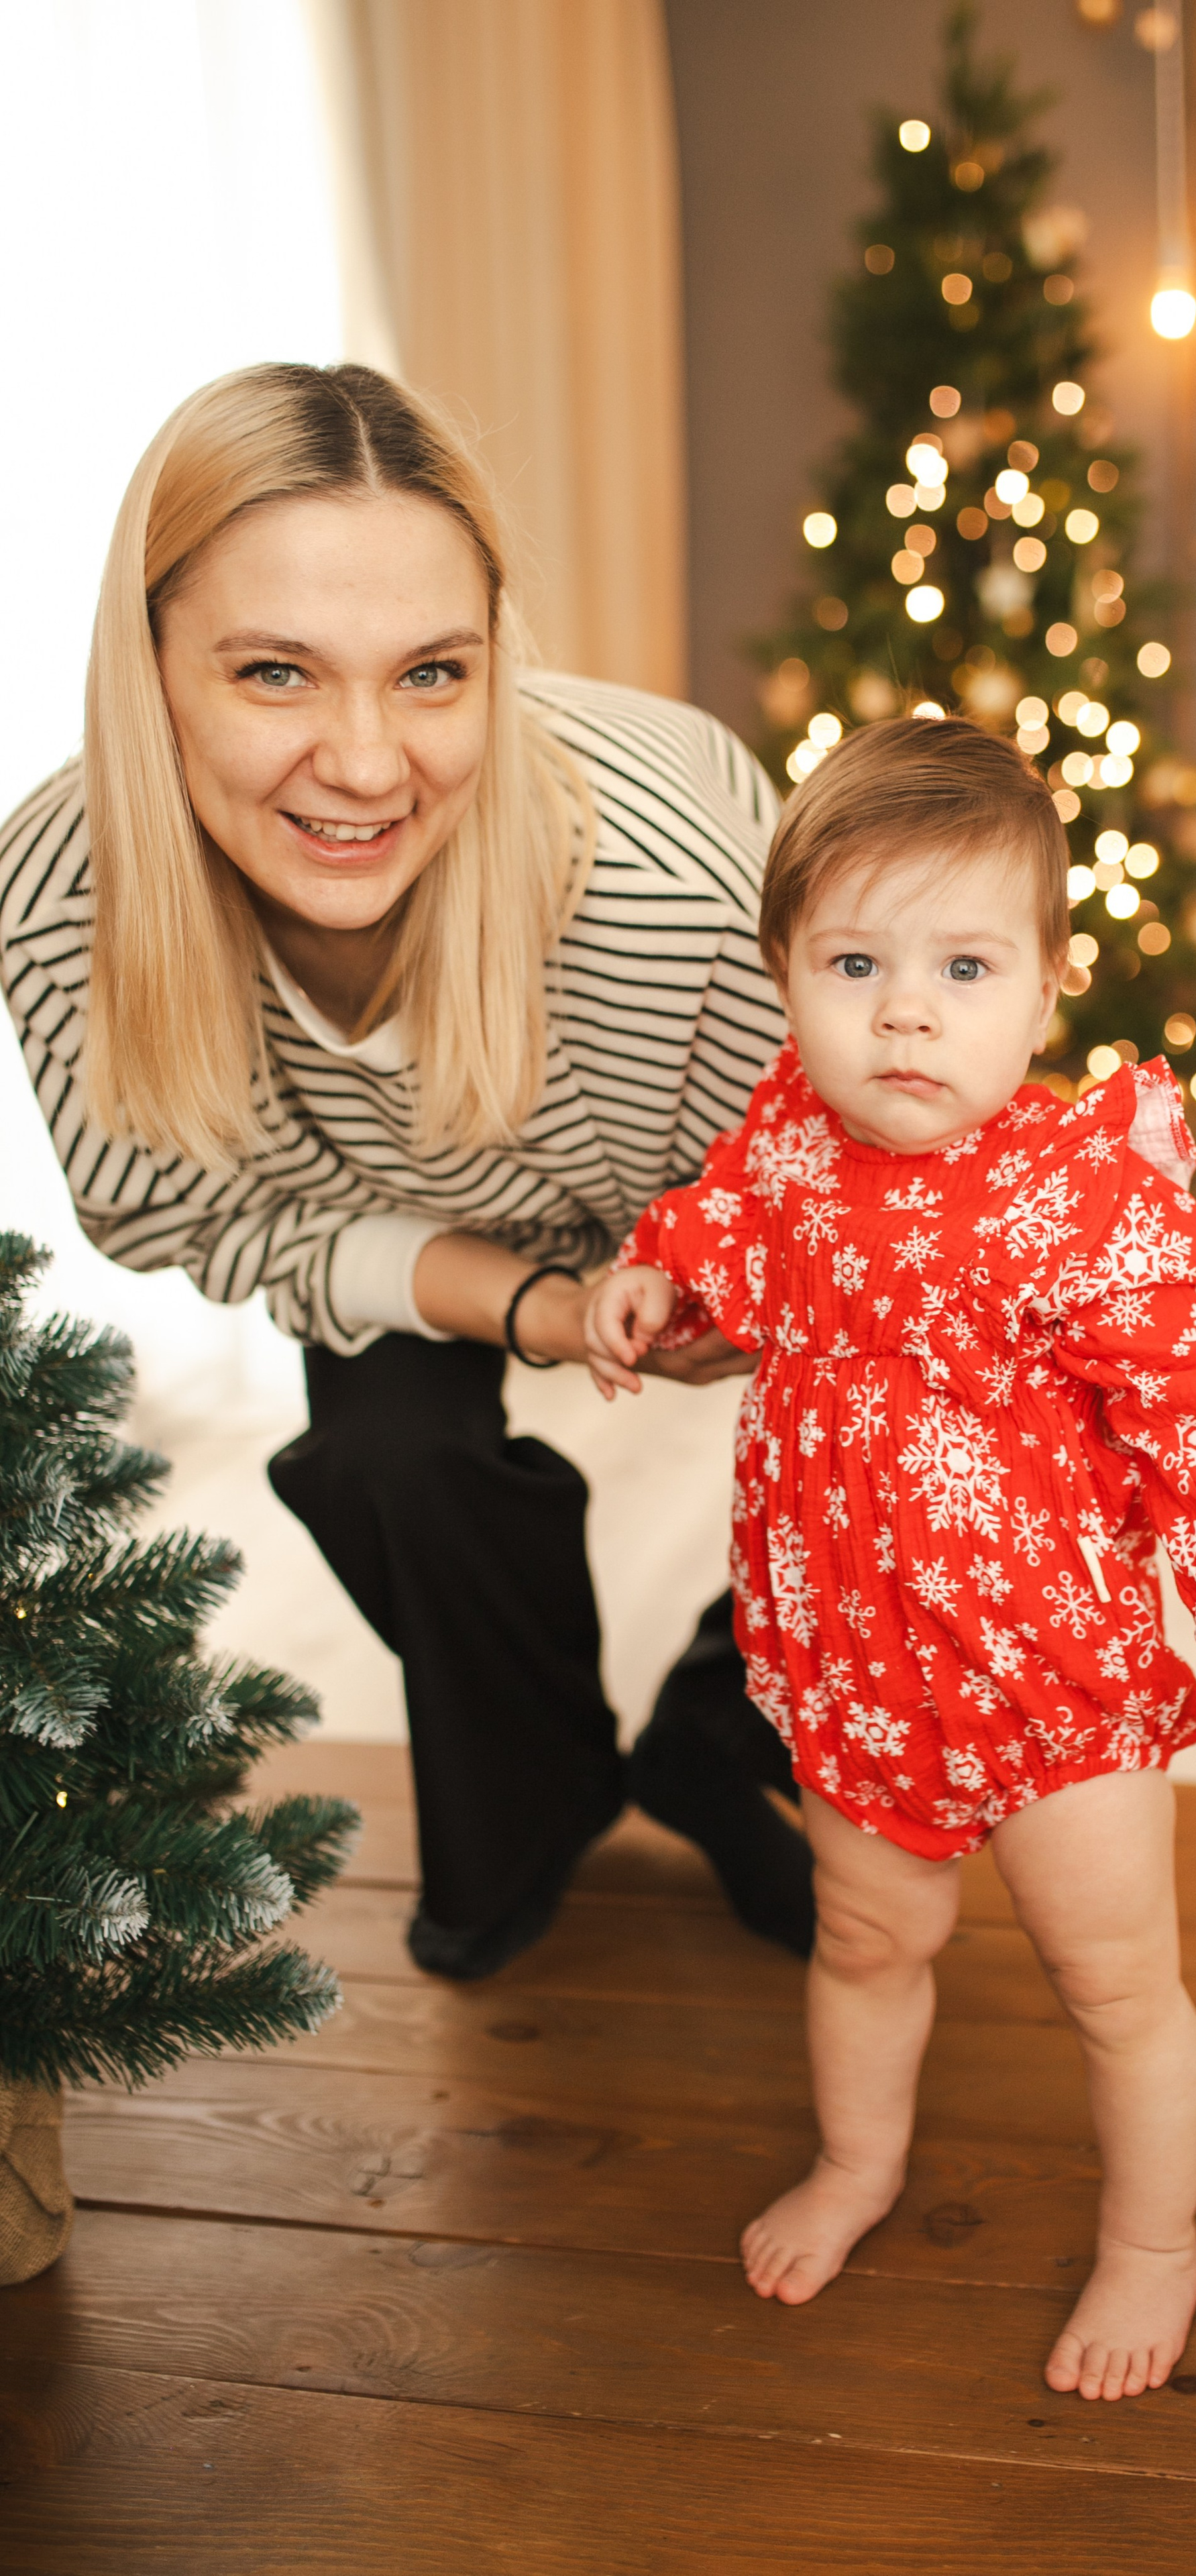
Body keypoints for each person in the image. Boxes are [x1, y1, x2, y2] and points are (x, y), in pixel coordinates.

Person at [0, 360, 812, 1978]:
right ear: (151, 665)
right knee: (386, 1457)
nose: (367, 767)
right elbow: (203, 1211)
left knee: (918, 1427)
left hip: (693, 1176)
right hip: (389, 1222)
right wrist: (528, 1305)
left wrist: (733, 1286)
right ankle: (534, 1796)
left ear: (498, 655)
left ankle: (724, 1742)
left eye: (430, 673)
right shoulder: (61, 900)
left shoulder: (673, 875)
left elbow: (820, 1183)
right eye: (277, 673)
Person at [585, 718, 1196, 2401]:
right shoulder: (786, 1135)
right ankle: (860, 2161)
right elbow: (718, 1229)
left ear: (1048, 989)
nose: (903, 1009)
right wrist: (655, 1283)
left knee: (1111, 1978)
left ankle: (1154, 2241)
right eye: (854, 961)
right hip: (856, 1662)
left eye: (963, 966)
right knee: (864, 1940)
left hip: (1050, 1678)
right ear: (784, 978)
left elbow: (1194, 1412)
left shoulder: (1078, 1194)